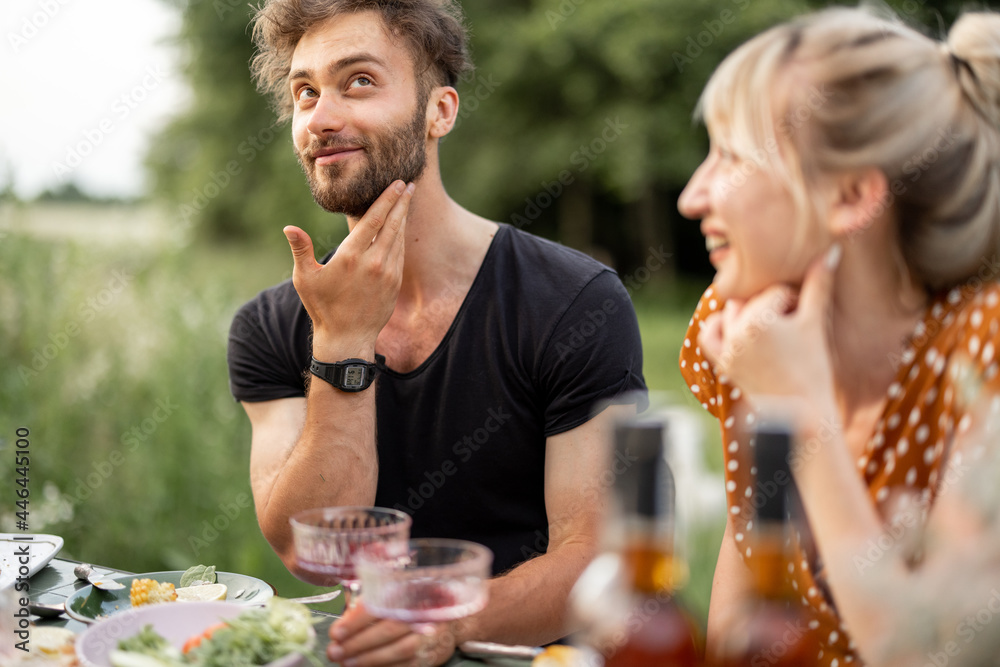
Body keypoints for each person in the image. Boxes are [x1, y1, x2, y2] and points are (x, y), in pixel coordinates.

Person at [226, 0, 647, 664]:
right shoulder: (268, 327)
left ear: (439, 111)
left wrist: (442, 623)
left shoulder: (575, 302)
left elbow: (597, 552)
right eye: (304, 92)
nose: (322, 117)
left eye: (358, 81)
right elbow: (310, 552)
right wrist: (341, 342)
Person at [677, 6, 1000, 665]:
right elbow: (748, 573)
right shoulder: (748, 326)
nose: (692, 195)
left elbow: (931, 652)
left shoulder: (984, 354)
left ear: (852, 196)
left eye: (732, 155)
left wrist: (799, 407)